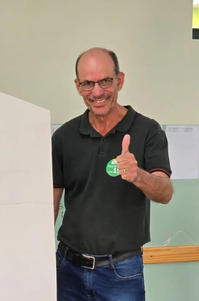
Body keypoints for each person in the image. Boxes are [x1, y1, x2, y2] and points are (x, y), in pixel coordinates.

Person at [52, 47, 173, 301]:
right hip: (67, 269)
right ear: (78, 86)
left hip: (121, 273)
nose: (97, 92)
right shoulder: (63, 137)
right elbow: (50, 204)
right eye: (88, 84)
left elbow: (165, 192)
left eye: (105, 81)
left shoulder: (148, 131)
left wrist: (137, 174)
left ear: (120, 80)